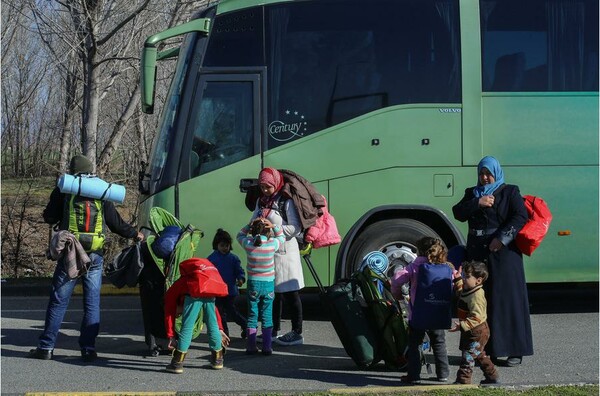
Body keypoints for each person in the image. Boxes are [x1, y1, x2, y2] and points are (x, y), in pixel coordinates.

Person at [29, 155, 144, 362]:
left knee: (58, 301)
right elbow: (115, 223)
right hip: (94, 254)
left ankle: (46, 348)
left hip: (70, 254)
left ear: (73, 171)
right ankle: (88, 348)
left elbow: (49, 217)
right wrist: (135, 234)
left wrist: (55, 213)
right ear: (91, 170)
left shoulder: (65, 189)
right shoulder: (100, 191)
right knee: (92, 303)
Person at [452, 155, 532, 367]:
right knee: (479, 302)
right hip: (477, 255)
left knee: (506, 301)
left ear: (496, 173)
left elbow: (520, 216)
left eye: (489, 173)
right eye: (482, 173)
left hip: (504, 255)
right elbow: (458, 212)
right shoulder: (472, 194)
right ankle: (485, 350)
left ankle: (515, 350)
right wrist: (477, 203)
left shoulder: (510, 191)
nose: (485, 178)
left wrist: (502, 239)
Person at [391, 237, 462, 384]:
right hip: (438, 313)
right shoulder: (447, 267)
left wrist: (397, 294)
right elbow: (457, 279)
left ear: (419, 251)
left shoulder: (415, 266)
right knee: (439, 343)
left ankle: (414, 375)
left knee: (415, 344)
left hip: (418, 314)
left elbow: (397, 279)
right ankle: (443, 374)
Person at [251, 167, 305, 346]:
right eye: (262, 187)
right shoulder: (261, 201)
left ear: (276, 184)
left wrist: (272, 229)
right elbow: (252, 221)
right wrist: (256, 225)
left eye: (268, 187)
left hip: (286, 253)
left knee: (291, 294)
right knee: (273, 295)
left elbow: (295, 228)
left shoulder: (286, 202)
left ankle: (297, 333)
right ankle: (273, 330)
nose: (265, 190)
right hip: (269, 254)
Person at [164, 258, 230, 373]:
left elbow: (169, 312)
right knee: (212, 326)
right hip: (210, 294)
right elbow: (214, 311)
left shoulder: (182, 283)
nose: (179, 314)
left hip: (193, 296)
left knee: (187, 327)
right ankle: (218, 360)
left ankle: (177, 363)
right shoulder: (203, 280)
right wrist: (220, 329)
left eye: (178, 313)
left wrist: (171, 336)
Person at [237, 218, 285, 355]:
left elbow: (239, 235)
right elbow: (281, 236)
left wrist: (249, 224)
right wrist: (274, 225)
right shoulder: (272, 245)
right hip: (268, 284)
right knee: (267, 315)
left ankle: (251, 346)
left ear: (252, 231)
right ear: (268, 231)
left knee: (252, 315)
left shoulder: (248, 244)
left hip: (253, 284)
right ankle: (267, 347)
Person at [450, 260, 499, 385]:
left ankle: (463, 381)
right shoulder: (469, 289)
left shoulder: (477, 296)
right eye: (464, 275)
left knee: (468, 357)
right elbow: (461, 293)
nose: (464, 279)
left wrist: (462, 325)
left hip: (477, 332)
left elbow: (477, 316)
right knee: (479, 355)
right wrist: (458, 280)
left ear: (478, 280)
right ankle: (492, 377)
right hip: (472, 331)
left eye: (467, 277)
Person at [208, 228, 247, 339]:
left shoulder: (233, 259)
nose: (225, 248)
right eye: (222, 245)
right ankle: (225, 332)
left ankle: (245, 324)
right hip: (217, 291)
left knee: (232, 311)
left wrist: (241, 279)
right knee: (220, 313)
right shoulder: (212, 259)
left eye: (227, 245)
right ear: (217, 245)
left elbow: (240, 271)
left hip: (230, 291)